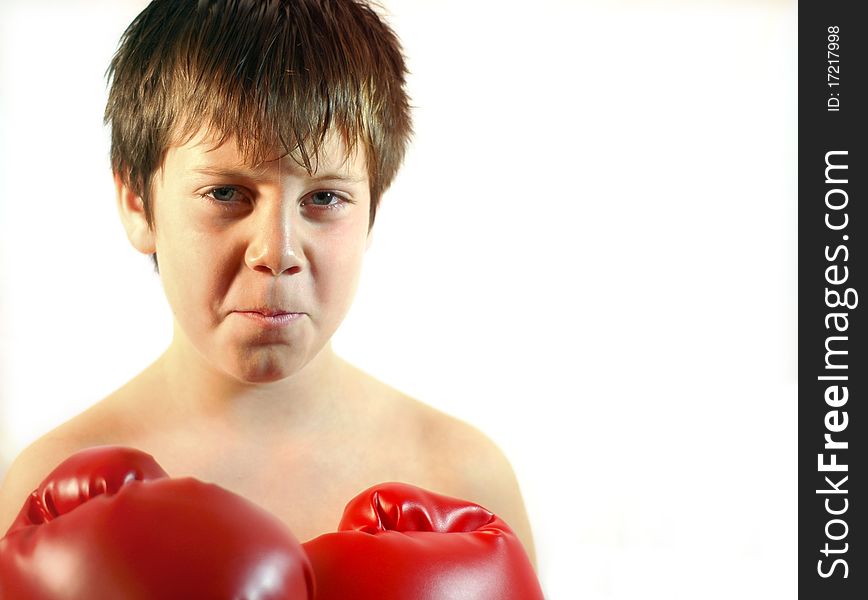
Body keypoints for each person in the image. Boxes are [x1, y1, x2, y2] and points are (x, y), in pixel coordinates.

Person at [0, 0, 536, 569]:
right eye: (226, 193)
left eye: (324, 198)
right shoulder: (49, 490)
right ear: (138, 203)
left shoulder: (465, 479)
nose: (276, 252)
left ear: (373, 211)